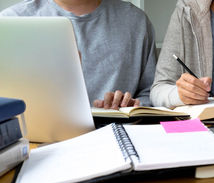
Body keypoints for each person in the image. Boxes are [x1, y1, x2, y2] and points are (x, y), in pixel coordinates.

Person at [1, 0, 157, 109]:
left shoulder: (136, 21)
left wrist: (131, 107)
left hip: (116, 138)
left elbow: (150, 93)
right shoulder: (10, 21)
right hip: (35, 142)